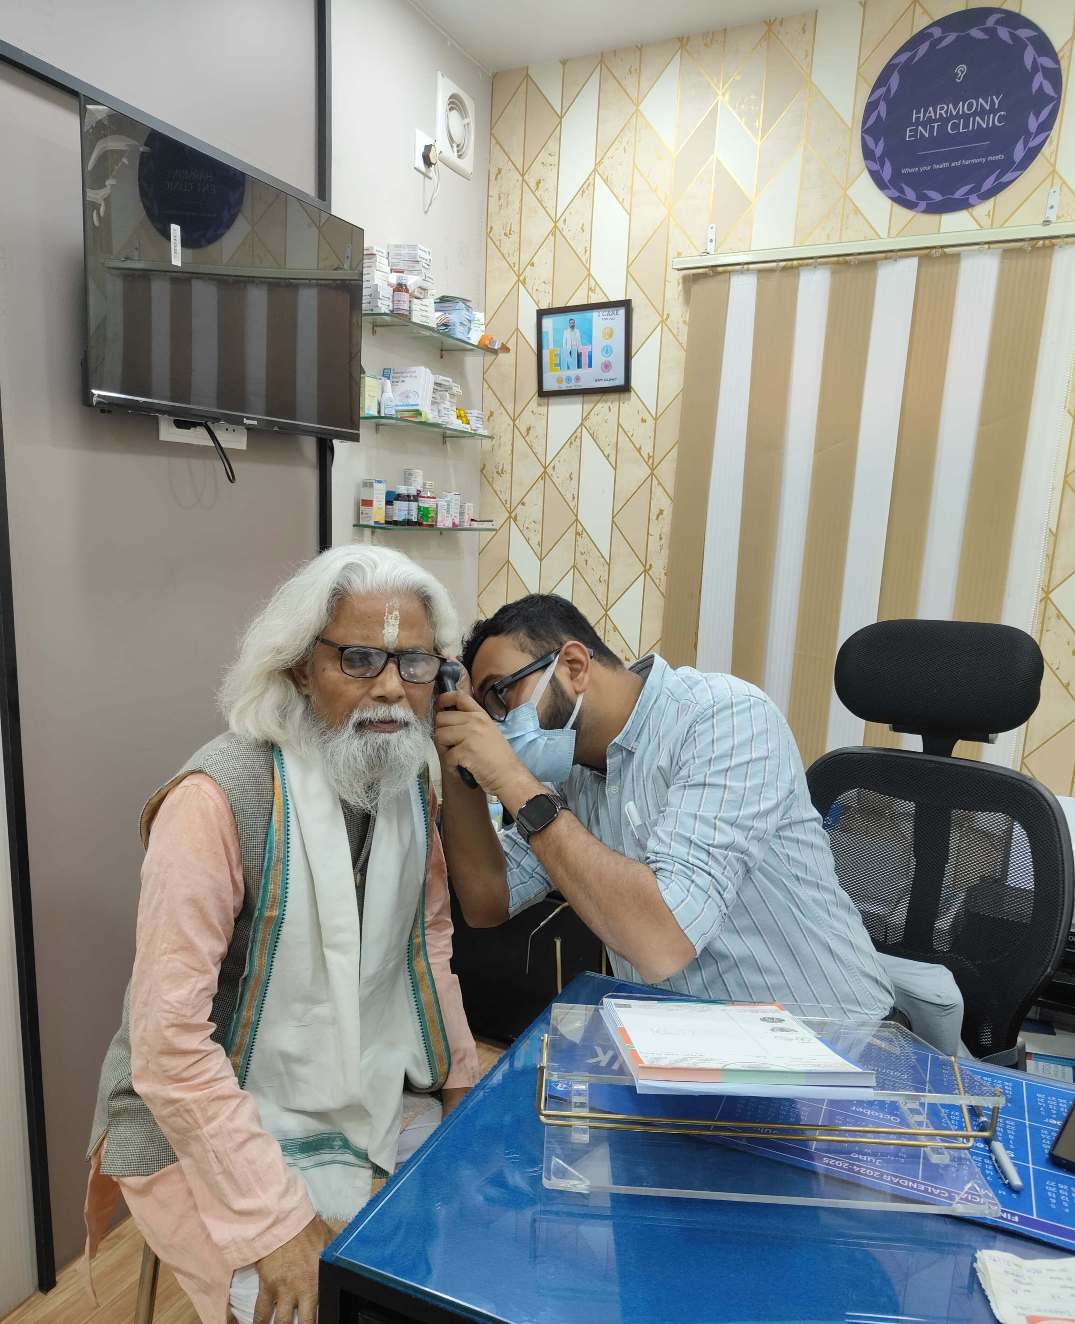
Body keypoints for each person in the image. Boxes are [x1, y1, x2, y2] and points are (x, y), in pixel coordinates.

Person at [84, 546, 479, 1324]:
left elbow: (426, 943)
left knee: (458, 1242)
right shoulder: (212, 799)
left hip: (363, 1079)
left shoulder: (406, 781)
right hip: (193, 1109)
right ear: (300, 668)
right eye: (358, 660)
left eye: (415, 663)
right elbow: (167, 1045)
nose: (391, 688)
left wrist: (464, 1087)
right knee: (315, 1305)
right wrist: (276, 1222)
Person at [434, 594, 894, 1020]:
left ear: (574, 666)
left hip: (831, 1040)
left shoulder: (725, 717)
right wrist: (459, 760)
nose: (497, 726)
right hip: (687, 1043)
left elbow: (662, 942)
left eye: (501, 695)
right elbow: (486, 901)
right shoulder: (570, 770)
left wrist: (512, 779)